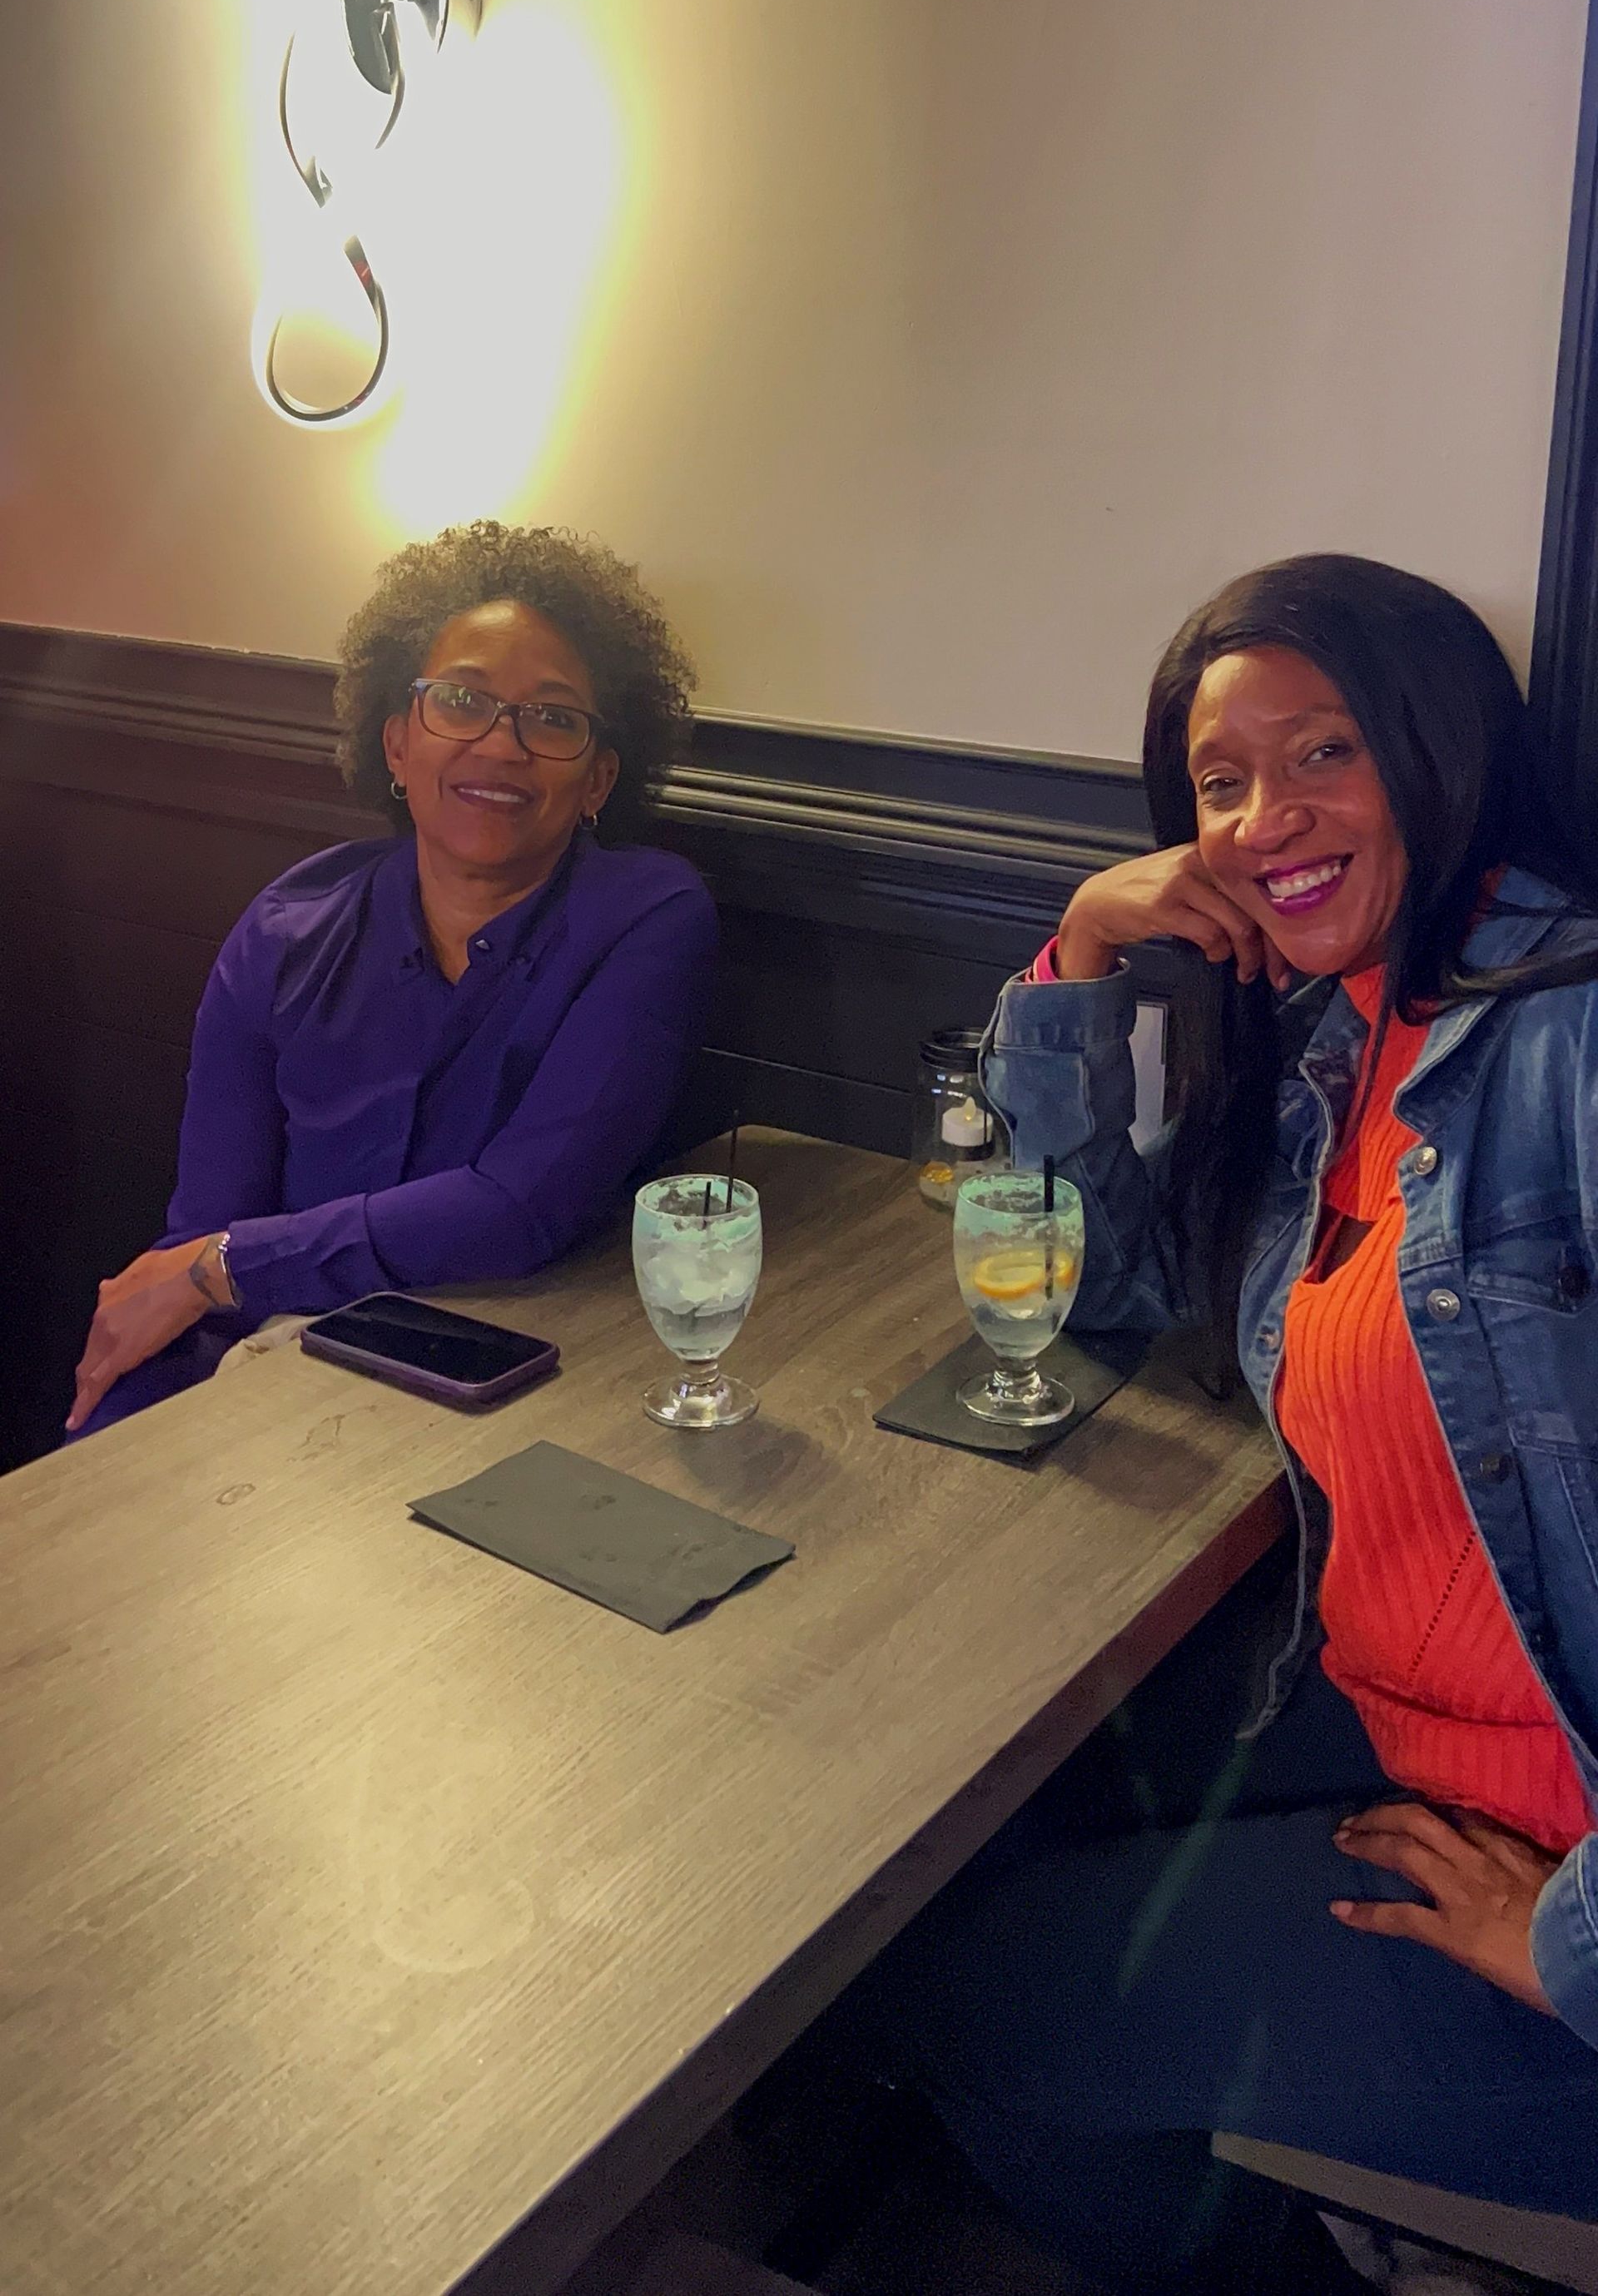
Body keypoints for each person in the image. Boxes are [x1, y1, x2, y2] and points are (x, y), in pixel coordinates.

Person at [858, 554, 1598, 2294]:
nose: (1270, 814)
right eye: (1222, 777)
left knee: (956, 2006)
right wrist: (1087, 953)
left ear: (1442, 750)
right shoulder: (1344, 1033)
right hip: (1393, 1719)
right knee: (961, 1836)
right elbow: (1088, 1280)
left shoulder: (1566, 1041)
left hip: (1555, 1864)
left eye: (1327, 749)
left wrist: (1565, 1936)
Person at [67, 518, 718, 1435]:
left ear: (600, 778)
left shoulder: (647, 917)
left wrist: (231, 1263)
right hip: (264, 1367)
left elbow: (521, 1206)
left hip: (504, 1387)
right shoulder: (284, 930)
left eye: (553, 717)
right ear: (398, 744)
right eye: (462, 700)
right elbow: (201, 1231)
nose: (501, 745)